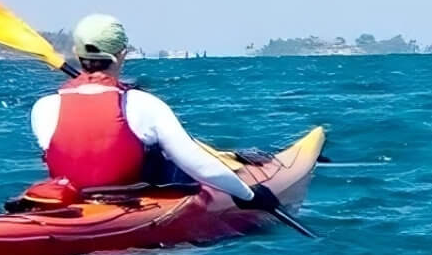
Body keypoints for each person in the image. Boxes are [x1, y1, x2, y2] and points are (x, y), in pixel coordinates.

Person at [26, 14, 280, 212]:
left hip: (71, 203)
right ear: (122, 53)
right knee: (166, 156)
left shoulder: (44, 107)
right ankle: (235, 168)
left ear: (77, 54)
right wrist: (249, 196)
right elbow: (198, 166)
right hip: (131, 202)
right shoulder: (143, 105)